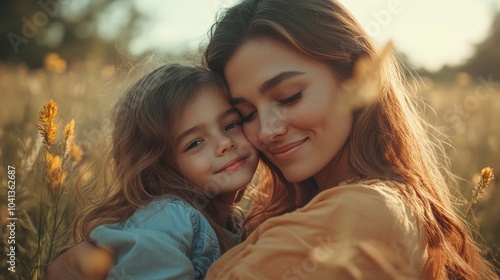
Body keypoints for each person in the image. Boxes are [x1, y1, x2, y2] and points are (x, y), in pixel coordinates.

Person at [47, 0, 497, 279]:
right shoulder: (270, 215)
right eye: (244, 115)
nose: (265, 131)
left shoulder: (365, 211)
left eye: (289, 95)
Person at [46, 64, 259, 279]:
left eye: (231, 124)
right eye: (194, 143)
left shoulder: (236, 221)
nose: (224, 143)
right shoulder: (169, 216)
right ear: (161, 166)